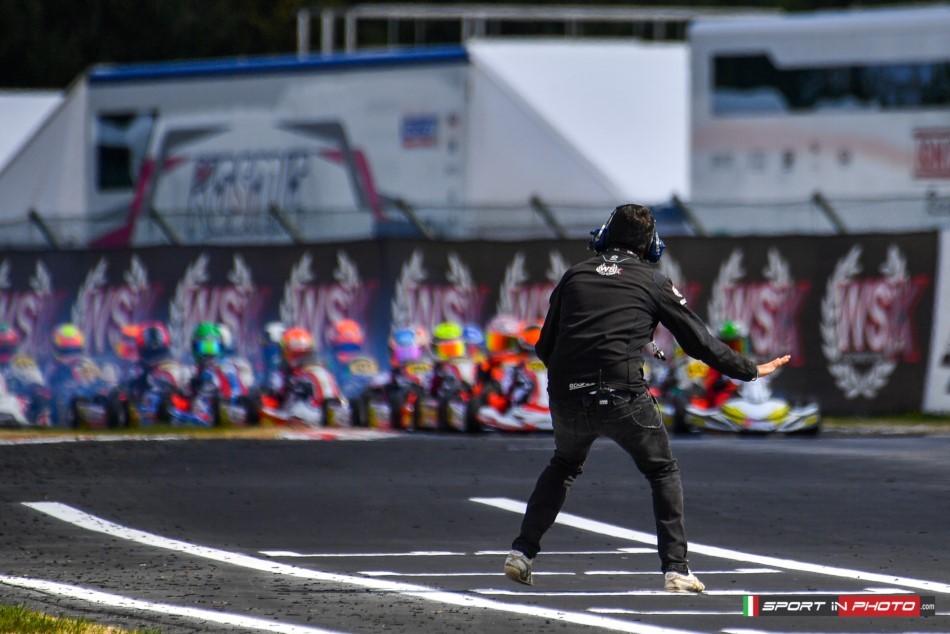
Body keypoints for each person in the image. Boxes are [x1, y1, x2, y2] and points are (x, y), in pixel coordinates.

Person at [503, 203, 790, 593]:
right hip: (622, 396)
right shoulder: (653, 281)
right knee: (662, 471)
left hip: (567, 398)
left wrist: (573, 382)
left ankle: (522, 552)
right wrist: (751, 369)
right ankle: (676, 569)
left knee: (563, 465)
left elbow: (544, 347)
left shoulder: (574, 276)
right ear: (651, 244)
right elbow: (699, 343)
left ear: (605, 234)